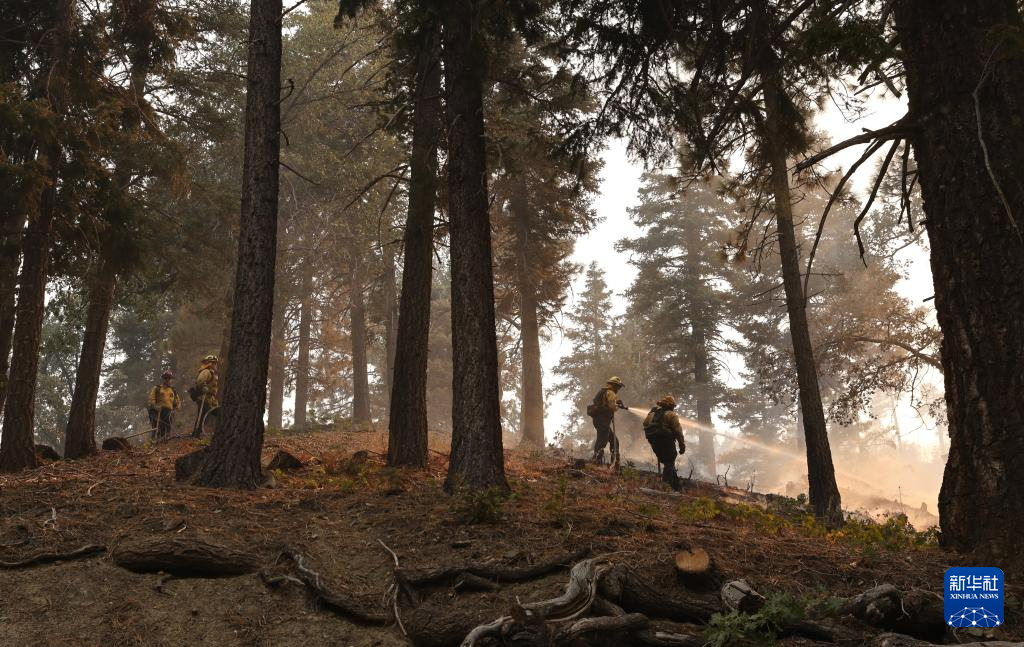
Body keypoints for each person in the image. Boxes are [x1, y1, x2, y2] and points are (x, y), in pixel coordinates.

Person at [643, 395, 686, 490]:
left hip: (654, 442)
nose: (674, 408)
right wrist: (682, 446)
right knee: (670, 460)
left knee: (668, 462)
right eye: (673, 406)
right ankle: (665, 486)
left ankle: (676, 486)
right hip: (666, 441)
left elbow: (645, 423)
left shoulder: (654, 413)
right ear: (671, 405)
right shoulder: (671, 415)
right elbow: (678, 431)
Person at [589, 376, 626, 464]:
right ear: (614, 385)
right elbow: (613, 407)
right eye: (618, 386)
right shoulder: (611, 393)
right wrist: (618, 405)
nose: (618, 389)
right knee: (602, 441)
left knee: (614, 441)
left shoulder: (603, 391)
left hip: (598, 420)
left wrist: (616, 403)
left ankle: (615, 462)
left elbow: (604, 403)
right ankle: (596, 461)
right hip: (603, 421)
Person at [147, 370, 181, 441]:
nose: (167, 380)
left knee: (167, 428)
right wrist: (155, 406)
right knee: (158, 427)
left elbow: (177, 401)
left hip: (168, 412)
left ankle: (164, 442)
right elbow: (151, 399)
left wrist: (177, 407)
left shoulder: (173, 390)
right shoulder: (157, 388)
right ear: (163, 379)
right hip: (157, 411)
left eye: (169, 378)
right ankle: (154, 442)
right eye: (166, 378)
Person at [192, 354, 219, 438]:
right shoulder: (206, 371)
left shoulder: (212, 373)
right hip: (204, 397)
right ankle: (196, 434)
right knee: (202, 416)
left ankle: (206, 433)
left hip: (211, 398)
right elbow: (200, 380)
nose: (215, 365)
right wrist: (204, 386)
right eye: (214, 363)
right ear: (210, 363)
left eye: (215, 363)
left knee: (214, 414)